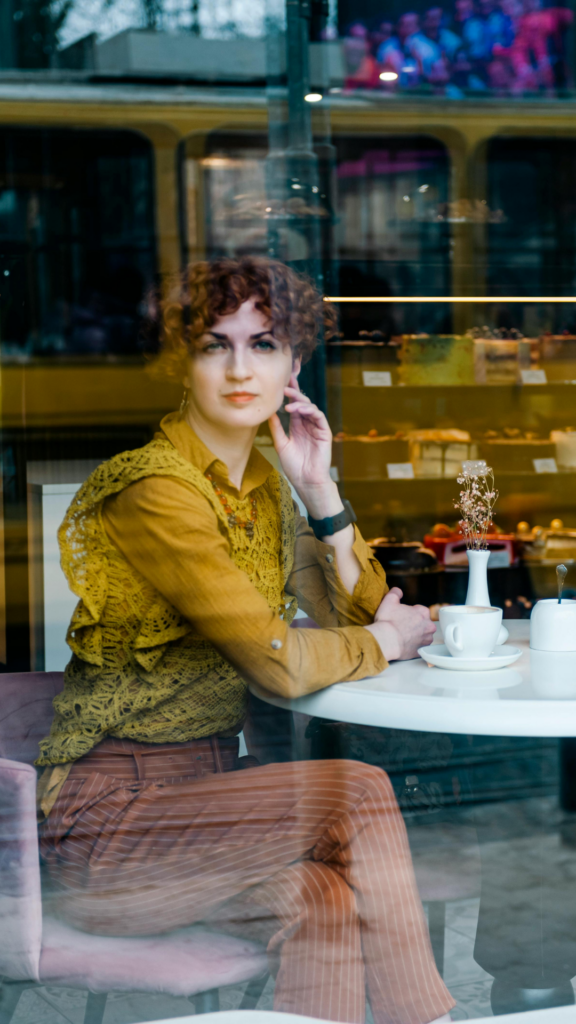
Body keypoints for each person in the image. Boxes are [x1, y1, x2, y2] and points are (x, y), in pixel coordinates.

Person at [37, 256, 454, 1024]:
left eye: (263, 345)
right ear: (179, 363)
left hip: (206, 813)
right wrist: (387, 643)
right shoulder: (156, 489)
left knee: (324, 896)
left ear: (294, 364)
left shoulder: (262, 488)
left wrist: (320, 494)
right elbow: (280, 662)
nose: (239, 368)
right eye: (212, 345)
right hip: (107, 833)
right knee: (356, 790)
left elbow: (356, 616)